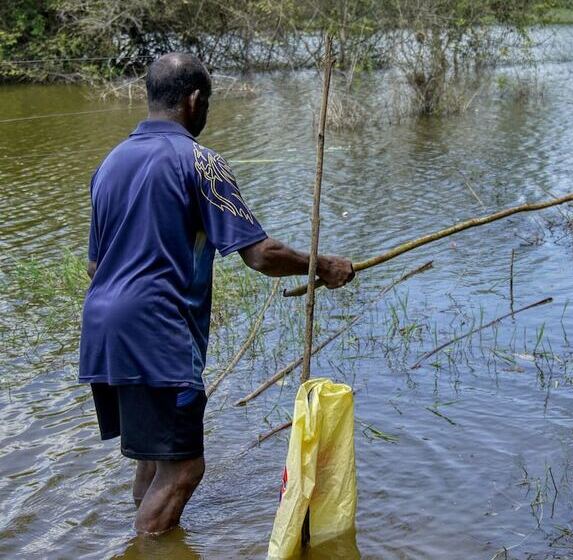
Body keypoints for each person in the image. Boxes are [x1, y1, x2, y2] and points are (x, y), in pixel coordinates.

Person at [79, 52, 354, 535]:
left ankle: (153, 536)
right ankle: (146, 545)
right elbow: (261, 254)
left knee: (155, 459)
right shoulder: (200, 162)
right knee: (185, 469)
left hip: (105, 331)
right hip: (157, 333)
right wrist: (324, 266)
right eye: (206, 102)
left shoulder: (108, 164)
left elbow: (94, 266)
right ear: (194, 100)